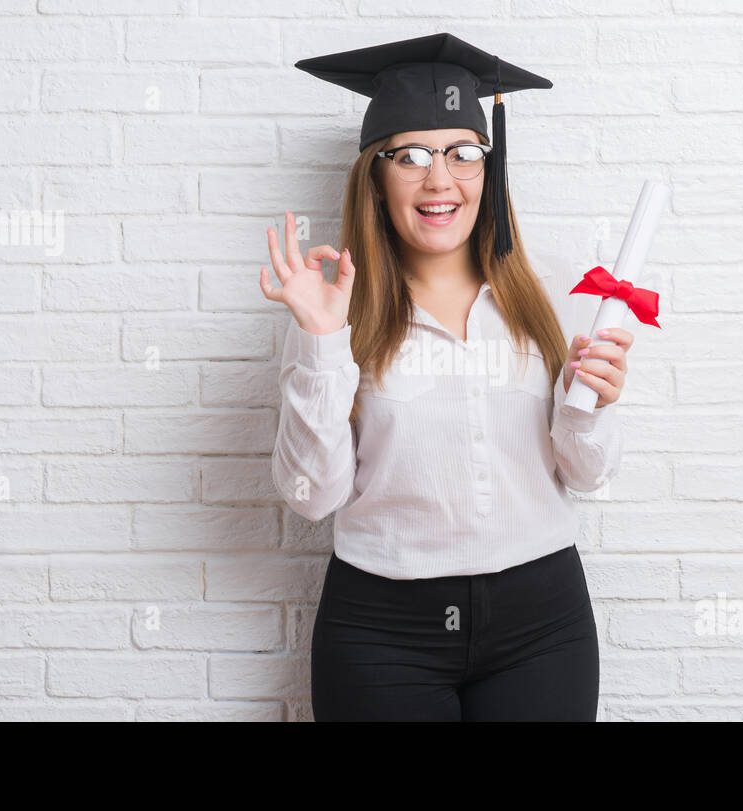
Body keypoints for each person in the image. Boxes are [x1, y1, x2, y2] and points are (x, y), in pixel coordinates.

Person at [260, 33, 631, 721]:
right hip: (382, 631)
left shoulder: (545, 294)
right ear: (376, 174)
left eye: (463, 153)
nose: (441, 179)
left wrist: (590, 408)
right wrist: (319, 343)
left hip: (542, 626)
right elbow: (313, 497)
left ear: (489, 169)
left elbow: (587, 473)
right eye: (413, 156)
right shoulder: (336, 308)